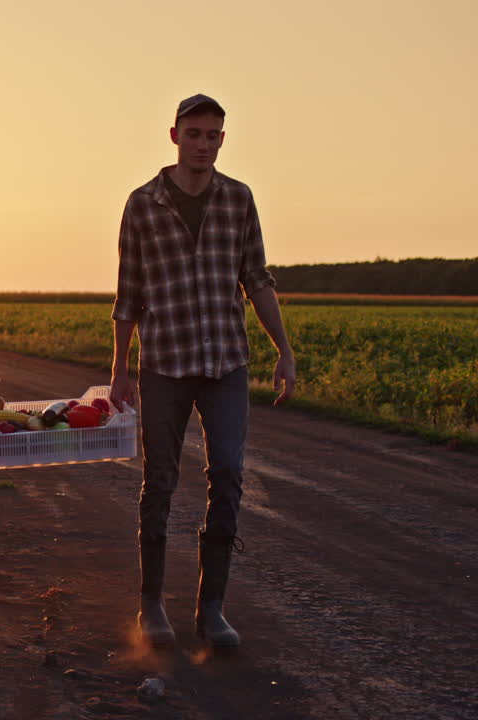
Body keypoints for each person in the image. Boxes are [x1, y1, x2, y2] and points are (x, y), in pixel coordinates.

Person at [109, 94, 296, 649]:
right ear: (173, 136)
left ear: (222, 139)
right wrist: (120, 370)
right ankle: (151, 609)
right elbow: (128, 296)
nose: (203, 144)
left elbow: (256, 279)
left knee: (230, 478)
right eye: (194, 133)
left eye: (213, 135)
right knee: (159, 482)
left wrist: (283, 350)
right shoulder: (142, 204)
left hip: (226, 364)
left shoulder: (238, 200)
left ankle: (211, 611)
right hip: (164, 363)